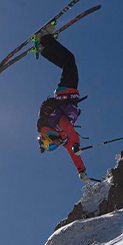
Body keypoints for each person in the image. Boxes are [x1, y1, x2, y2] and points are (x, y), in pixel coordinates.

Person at [34, 33, 89, 181]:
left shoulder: (57, 127)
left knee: (69, 60)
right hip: (68, 94)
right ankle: (44, 48)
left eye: (51, 146)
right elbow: (73, 155)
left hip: (66, 92)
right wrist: (81, 170)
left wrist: (77, 144)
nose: (55, 147)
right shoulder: (62, 138)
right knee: (67, 63)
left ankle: (45, 40)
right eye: (53, 149)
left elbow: (68, 127)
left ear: (48, 139)